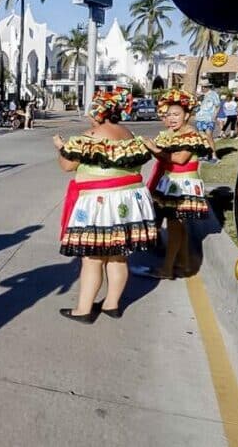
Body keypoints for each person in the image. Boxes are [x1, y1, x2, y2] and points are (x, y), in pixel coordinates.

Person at [52, 90, 158, 321]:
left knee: (93, 257)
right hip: (129, 201)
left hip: (102, 202)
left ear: (97, 114)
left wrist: (61, 147)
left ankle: (84, 310)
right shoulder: (129, 134)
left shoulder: (90, 136)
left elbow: (67, 166)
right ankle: (111, 304)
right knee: (118, 255)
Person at [142, 89, 212, 280]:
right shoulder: (176, 133)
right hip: (172, 183)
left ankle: (167, 268)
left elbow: (180, 159)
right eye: (169, 115)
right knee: (178, 227)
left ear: (187, 115)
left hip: (183, 184)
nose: (171, 118)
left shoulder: (191, 134)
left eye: (176, 114)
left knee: (175, 227)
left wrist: (156, 149)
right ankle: (184, 264)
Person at [194, 88, 221, 163]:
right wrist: (196, 99)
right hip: (199, 118)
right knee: (202, 137)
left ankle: (214, 156)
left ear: (208, 86)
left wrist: (215, 116)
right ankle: (205, 155)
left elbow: (218, 105)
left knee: (209, 135)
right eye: (202, 86)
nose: (203, 88)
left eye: (205, 86)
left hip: (209, 119)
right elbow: (195, 107)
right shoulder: (200, 95)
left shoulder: (213, 94)